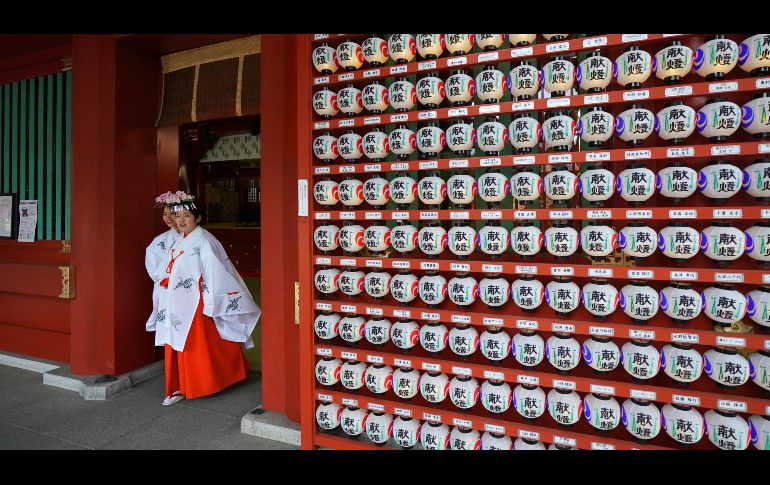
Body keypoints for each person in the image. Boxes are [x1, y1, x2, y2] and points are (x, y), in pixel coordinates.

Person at [148, 191, 261, 406]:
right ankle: (180, 385)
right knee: (180, 342)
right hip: (176, 301)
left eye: (187, 216)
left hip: (196, 302)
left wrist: (210, 303)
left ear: (198, 218)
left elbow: (214, 273)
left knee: (198, 346)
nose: (181, 220)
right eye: (178, 215)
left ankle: (199, 384)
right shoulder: (180, 239)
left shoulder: (204, 240)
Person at [145, 192, 183, 334]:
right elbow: (154, 269)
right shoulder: (159, 242)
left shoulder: (195, 236)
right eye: (164, 214)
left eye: (172, 213)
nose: (167, 218)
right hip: (167, 287)